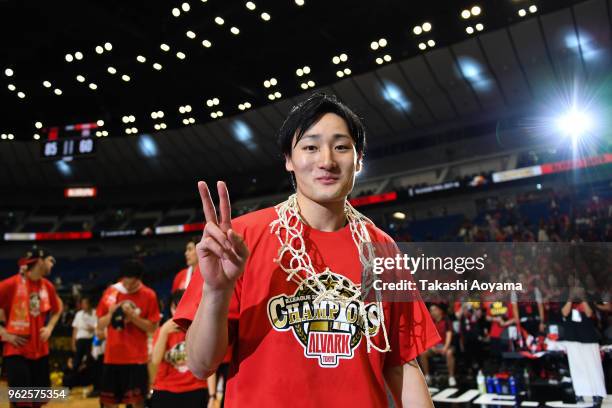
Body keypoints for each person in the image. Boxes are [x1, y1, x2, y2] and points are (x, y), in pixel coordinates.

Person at [174, 93, 441, 407]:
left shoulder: (382, 249)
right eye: (310, 147)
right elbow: (200, 364)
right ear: (289, 159)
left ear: (359, 161)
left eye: (341, 147)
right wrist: (217, 291)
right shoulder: (241, 239)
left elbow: (403, 365)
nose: (326, 160)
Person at [0, 247, 62, 408]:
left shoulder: (47, 286)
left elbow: (57, 309)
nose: (52, 265)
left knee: (38, 401)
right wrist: (4, 333)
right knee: (23, 402)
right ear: (40, 261)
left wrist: (49, 327)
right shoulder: (10, 284)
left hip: (40, 351)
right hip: (17, 351)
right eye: (50, 260)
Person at [96, 259, 160, 408]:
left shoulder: (149, 295)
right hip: (112, 357)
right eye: (125, 283)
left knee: (137, 402)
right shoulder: (111, 292)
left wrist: (133, 317)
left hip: (137, 359)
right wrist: (111, 314)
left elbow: (152, 328)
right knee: (109, 402)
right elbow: (100, 324)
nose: (128, 287)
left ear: (139, 280)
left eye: (132, 284)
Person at [150, 290, 216, 407]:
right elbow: (155, 361)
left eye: (183, 308)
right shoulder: (164, 330)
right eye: (175, 308)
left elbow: (208, 365)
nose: (178, 313)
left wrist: (212, 396)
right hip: (165, 389)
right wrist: (164, 333)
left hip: (195, 389)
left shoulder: (200, 330)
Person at [419, 304, 456, 386]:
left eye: (434, 310)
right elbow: (428, 335)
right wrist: (432, 347)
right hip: (434, 347)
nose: (432, 312)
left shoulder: (446, 320)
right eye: (431, 310)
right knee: (423, 353)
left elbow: (449, 334)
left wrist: (445, 348)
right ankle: (427, 376)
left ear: (440, 311)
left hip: (445, 346)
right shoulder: (430, 321)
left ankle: (451, 377)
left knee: (449, 353)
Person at [71, 297, 97, 372]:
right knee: (77, 361)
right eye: (82, 304)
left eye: (85, 303)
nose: (83, 305)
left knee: (90, 360)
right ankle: (73, 378)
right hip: (80, 340)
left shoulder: (95, 313)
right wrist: (73, 343)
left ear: (89, 304)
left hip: (91, 339)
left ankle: (88, 379)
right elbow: (75, 329)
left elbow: (99, 327)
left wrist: (93, 328)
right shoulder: (78, 314)